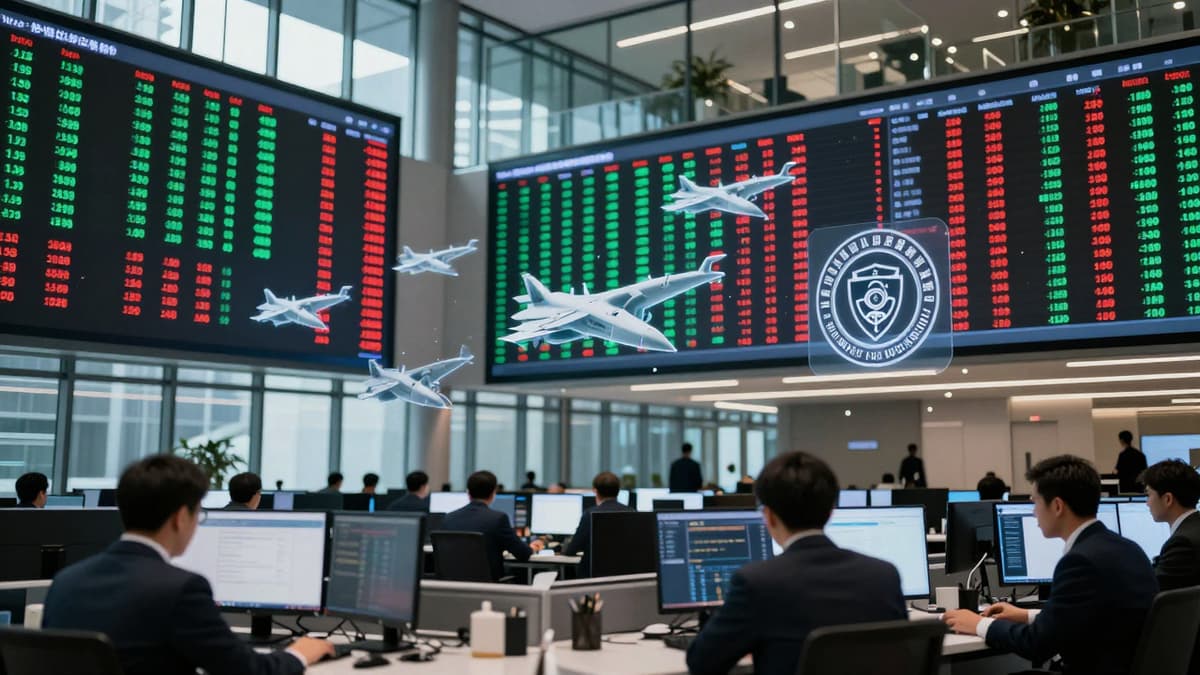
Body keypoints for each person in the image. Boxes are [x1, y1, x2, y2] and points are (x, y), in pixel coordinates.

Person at [43, 455, 333, 675]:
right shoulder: (180, 589)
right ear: (181, 517)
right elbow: (246, 670)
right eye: (198, 515)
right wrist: (300, 652)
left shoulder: (65, 581)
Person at [686, 451, 906, 675]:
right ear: (830, 512)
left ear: (769, 516)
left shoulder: (756, 583)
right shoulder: (884, 576)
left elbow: (701, 662)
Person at [944, 455, 1157, 675]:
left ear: (1057, 506)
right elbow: (1094, 615)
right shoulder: (1129, 549)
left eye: (1035, 501)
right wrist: (1027, 615)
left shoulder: (1080, 561)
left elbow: (1037, 645)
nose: (1034, 511)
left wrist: (977, 624)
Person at [1141, 459, 1200, 675]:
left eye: (1149, 495)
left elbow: (1152, 594)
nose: (1146, 503)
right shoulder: (1194, 529)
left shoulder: (1183, 542)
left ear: (1167, 499)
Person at [441, 470, 544, 581]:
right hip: (488, 587)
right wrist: (532, 547)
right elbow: (523, 554)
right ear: (493, 493)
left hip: (452, 586)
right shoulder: (498, 519)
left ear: (468, 493)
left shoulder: (448, 518)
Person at [564, 472, 632, 576]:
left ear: (595, 491)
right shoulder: (632, 513)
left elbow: (572, 550)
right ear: (618, 491)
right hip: (624, 577)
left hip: (593, 580)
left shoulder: (590, 514)